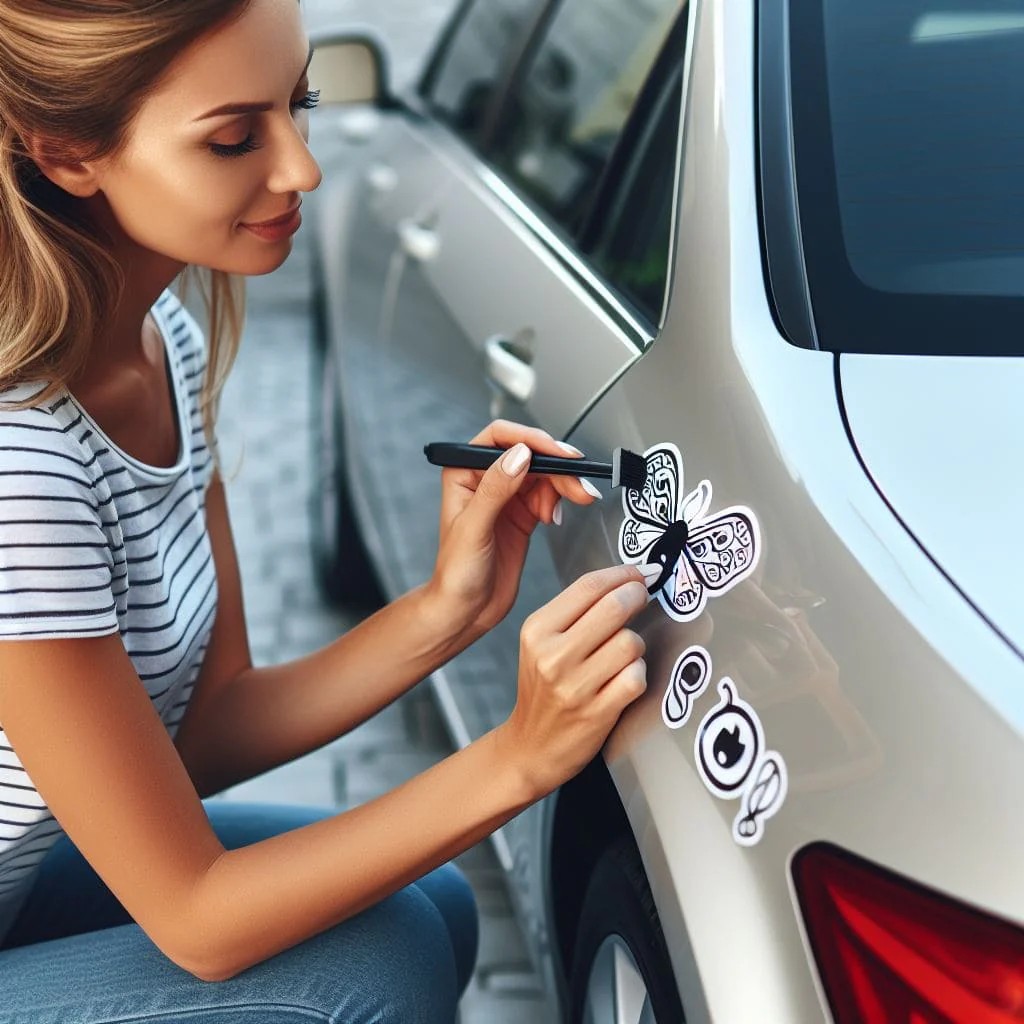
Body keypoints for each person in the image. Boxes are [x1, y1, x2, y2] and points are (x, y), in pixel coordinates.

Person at [0, 1, 660, 1021]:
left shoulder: (162, 337)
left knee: (432, 901)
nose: (302, 168)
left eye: (297, 104)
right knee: (368, 974)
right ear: (69, 153)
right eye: (232, 138)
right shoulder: (23, 464)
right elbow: (199, 918)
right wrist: (520, 755)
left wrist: (450, 608)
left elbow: (206, 726)